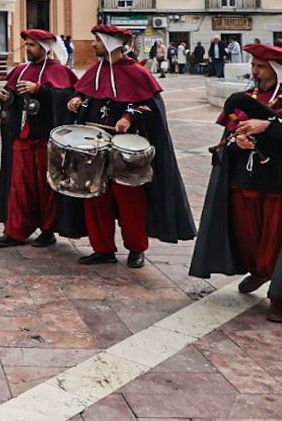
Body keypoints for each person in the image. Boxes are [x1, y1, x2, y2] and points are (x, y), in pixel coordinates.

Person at [190, 43, 282, 322]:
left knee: (275, 240)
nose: (255, 71)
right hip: (245, 179)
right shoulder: (244, 97)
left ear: (275, 70)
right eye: (253, 66)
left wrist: (268, 126)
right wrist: (236, 142)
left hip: (278, 184)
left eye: (261, 67)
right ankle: (259, 271)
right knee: (247, 237)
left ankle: (279, 296)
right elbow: (228, 135)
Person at [67, 25, 194, 267]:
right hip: (94, 147)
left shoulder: (137, 73)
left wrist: (129, 117)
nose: (93, 45)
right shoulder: (95, 71)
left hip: (125, 152)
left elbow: (150, 107)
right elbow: (86, 96)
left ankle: (136, 248)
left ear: (111, 43)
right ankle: (102, 248)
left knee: (130, 200)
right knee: (95, 197)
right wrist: (77, 100)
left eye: (97, 40)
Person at [0, 29, 78, 250]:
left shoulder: (60, 72)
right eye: (27, 45)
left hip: (46, 139)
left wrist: (40, 90)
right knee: (19, 186)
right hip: (22, 137)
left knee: (46, 188)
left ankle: (48, 230)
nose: (27, 49)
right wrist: (6, 96)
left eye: (31, 45)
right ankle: (16, 231)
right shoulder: (21, 70)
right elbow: (11, 96)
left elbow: (68, 100)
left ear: (44, 47)